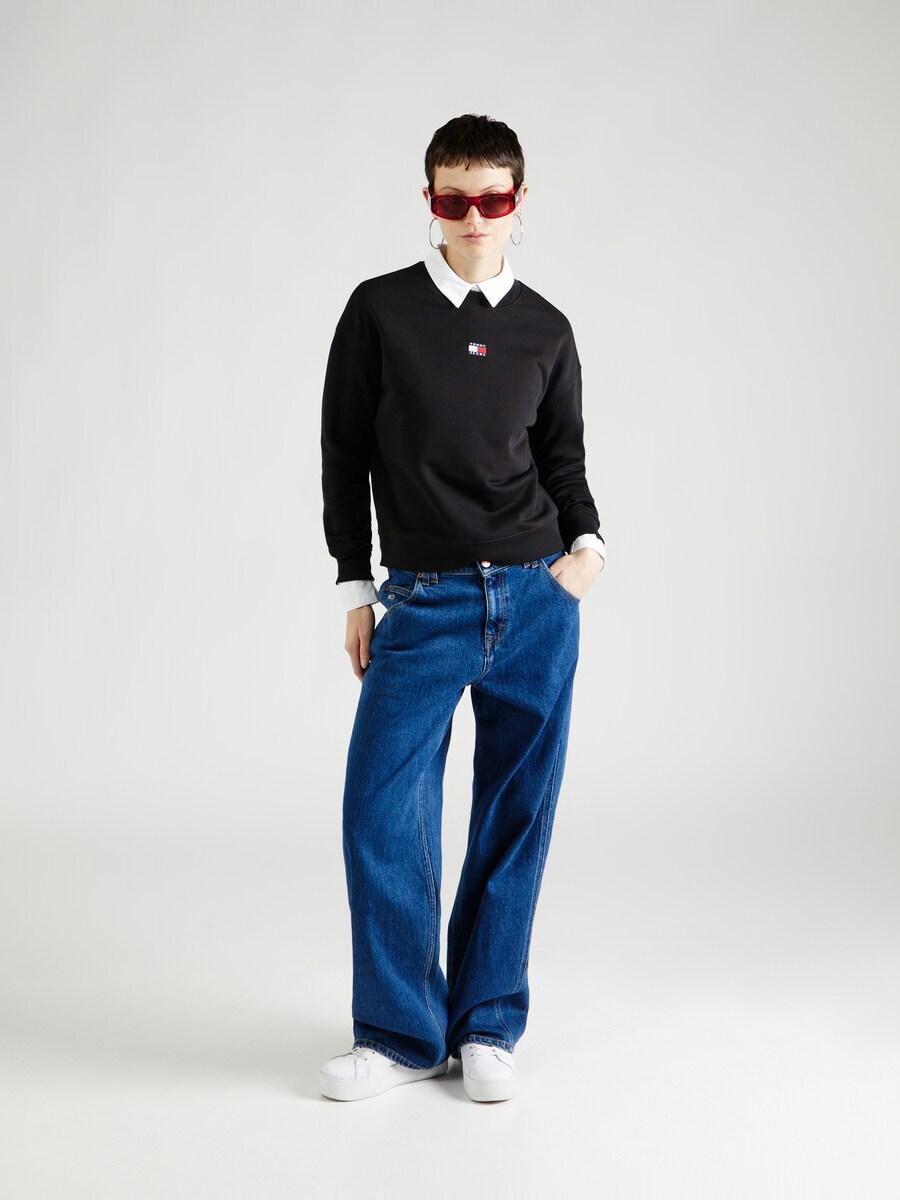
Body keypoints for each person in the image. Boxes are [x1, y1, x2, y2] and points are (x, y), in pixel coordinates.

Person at [318, 113, 605, 1103]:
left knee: (516, 811)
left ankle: (486, 1025)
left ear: (519, 204)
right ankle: (401, 1034)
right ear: (431, 203)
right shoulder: (381, 311)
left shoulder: (546, 329)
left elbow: (563, 459)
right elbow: (344, 451)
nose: (475, 216)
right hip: (425, 600)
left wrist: (588, 550)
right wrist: (355, 584)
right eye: (455, 199)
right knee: (382, 807)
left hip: (537, 597)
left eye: (493, 198)